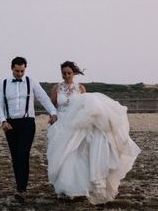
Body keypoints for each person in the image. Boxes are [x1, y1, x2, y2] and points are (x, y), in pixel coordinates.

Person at [46, 61, 141, 205]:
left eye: (69, 73)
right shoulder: (56, 88)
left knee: (77, 154)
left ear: (74, 73)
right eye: (63, 73)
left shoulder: (81, 88)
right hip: (61, 124)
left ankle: (79, 188)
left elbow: (87, 107)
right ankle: (64, 187)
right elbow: (52, 105)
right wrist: (52, 116)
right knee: (63, 156)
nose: (66, 76)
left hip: (78, 125)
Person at [0, 56, 58, 203]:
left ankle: (21, 189)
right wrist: (2, 120)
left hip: (28, 123)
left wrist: (53, 112)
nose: (20, 74)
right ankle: (19, 186)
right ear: (12, 69)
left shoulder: (32, 82)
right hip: (10, 124)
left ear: (25, 69)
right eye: (17, 71)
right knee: (15, 157)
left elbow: (43, 97)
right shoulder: (3, 84)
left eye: (22, 71)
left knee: (23, 154)